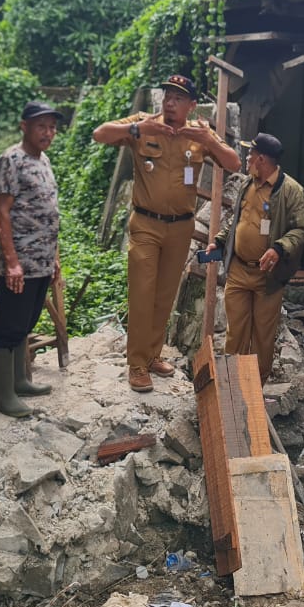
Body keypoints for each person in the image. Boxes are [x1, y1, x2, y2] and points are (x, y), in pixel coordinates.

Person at [92, 74, 241, 392]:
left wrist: (209, 140)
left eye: (178, 98)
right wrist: (137, 129)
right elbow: (100, 134)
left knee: (164, 295)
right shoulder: (144, 124)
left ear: (190, 105)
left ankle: (153, 355)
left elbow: (234, 163)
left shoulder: (200, 133)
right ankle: (136, 365)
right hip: (146, 224)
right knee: (142, 293)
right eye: (167, 96)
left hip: (180, 227)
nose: (170, 102)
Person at [203, 132, 304, 385]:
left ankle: (255, 387)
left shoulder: (292, 191)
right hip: (239, 271)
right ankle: (231, 385)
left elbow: (301, 230)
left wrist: (279, 248)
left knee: (263, 335)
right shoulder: (247, 184)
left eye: (250, 154)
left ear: (261, 159)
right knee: (235, 332)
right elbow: (235, 220)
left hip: (268, 277)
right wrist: (219, 240)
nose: (247, 158)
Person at [0, 100, 64, 417]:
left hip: (41, 260)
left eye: (51, 127)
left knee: (27, 320)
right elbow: (0, 212)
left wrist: (53, 258)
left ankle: (20, 380)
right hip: (19, 261)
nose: (47, 133)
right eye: (40, 126)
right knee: (9, 324)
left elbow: (47, 211)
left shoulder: (43, 159)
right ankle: (3, 395)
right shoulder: (11, 160)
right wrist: (12, 262)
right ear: (24, 127)